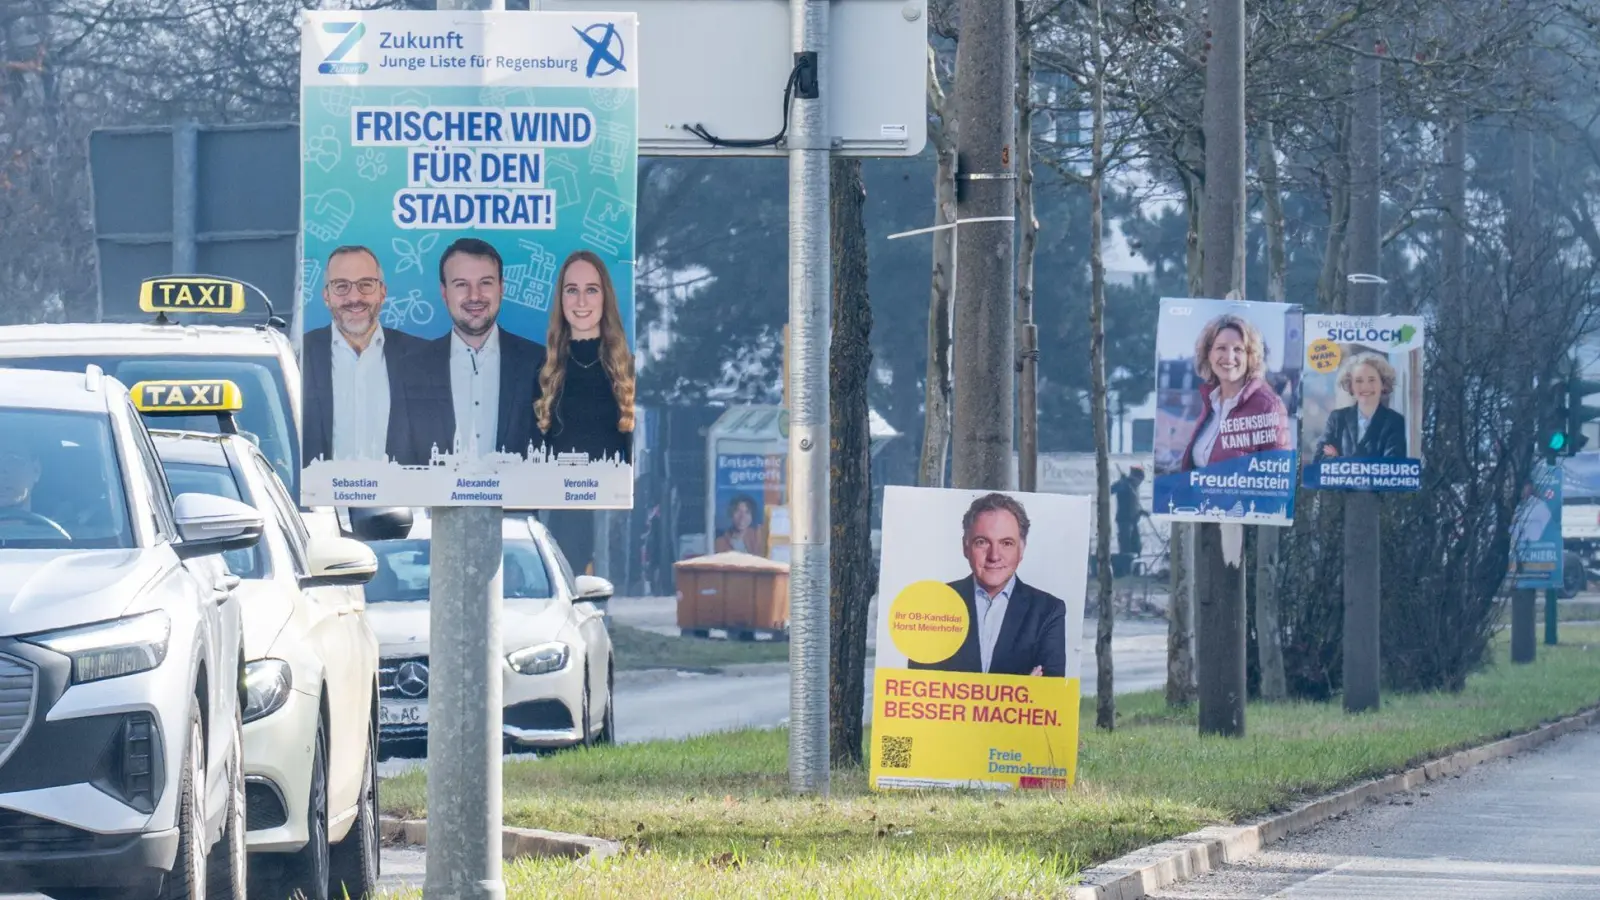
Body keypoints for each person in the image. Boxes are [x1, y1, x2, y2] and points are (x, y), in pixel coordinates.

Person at [395, 238, 548, 463]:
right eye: (461, 284)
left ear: (501, 288)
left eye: (485, 283)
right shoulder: (410, 370)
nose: (474, 296)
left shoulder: (541, 363)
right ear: (444, 293)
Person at [908, 492, 1068, 678]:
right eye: (982, 542)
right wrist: (1021, 688)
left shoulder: (1048, 611)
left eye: (1006, 543)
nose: (994, 556)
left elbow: (1051, 691)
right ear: (965, 547)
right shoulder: (933, 605)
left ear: (1021, 549)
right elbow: (919, 686)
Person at [300, 245, 428, 464]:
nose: (354, 297)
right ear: (326, 296)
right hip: (322, 486)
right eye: (341, 286)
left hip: (400, 485)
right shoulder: (298, 355)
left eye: (366, 284)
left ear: (382, 293)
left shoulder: (422, 357)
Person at [534, 250, 636, 464]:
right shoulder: (542, 370)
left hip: (612, 485)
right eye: (572, 290)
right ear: (561, 299)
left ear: (605, 297)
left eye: (591, 290)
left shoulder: (628, 369)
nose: (581, 302)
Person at [1180, 314, 1294, 471]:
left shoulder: (1268, 406)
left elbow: (1279, 477)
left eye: (1238, 349)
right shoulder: (1211, 403)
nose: (1229, 357)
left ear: (1250, 357)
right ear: (1208, 354)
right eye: (1221, 348)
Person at [1318, 352, 1407, 459]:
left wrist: (1338, 459)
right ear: (1350, 386)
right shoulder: (1337, 419)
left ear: (1383, 384)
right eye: (1359, 381)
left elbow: (1392, 463)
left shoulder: (1395, 421)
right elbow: (1320, 459)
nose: (1365, 386)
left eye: (1372, 380)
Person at [1110, 466, 1148, 560]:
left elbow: (1134, 505)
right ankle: (1126, 566)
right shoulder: (1124, 485)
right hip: (1124, 521)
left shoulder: (1134, 487)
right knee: (1126, 547)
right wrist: (1121, 482)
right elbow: (1111, 490)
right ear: (1134, 477)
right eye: (1139, 480)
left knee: (1137, 547)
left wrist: (1141, 512)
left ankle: (1136, 566)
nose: (1139, 483)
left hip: (1134, 521)